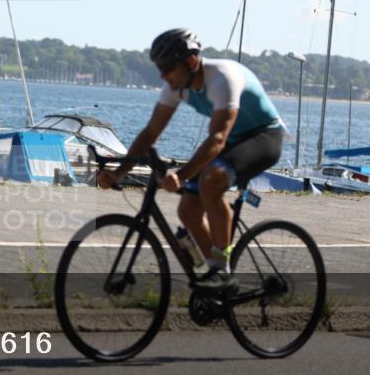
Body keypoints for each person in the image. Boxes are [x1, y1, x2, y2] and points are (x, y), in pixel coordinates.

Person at [98, 29, 284, 288]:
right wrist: (120, 172)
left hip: (264, 136)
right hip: (232, 140)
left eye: (168, 68)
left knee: (212, 180)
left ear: (192, 62)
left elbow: (217, 139)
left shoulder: (222, 78)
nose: (163, 76)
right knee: (188, 210)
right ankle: (213, 277)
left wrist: (182, 175)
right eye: (159, 68)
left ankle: (222, 270)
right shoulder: (176, 86)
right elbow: (151, 132)